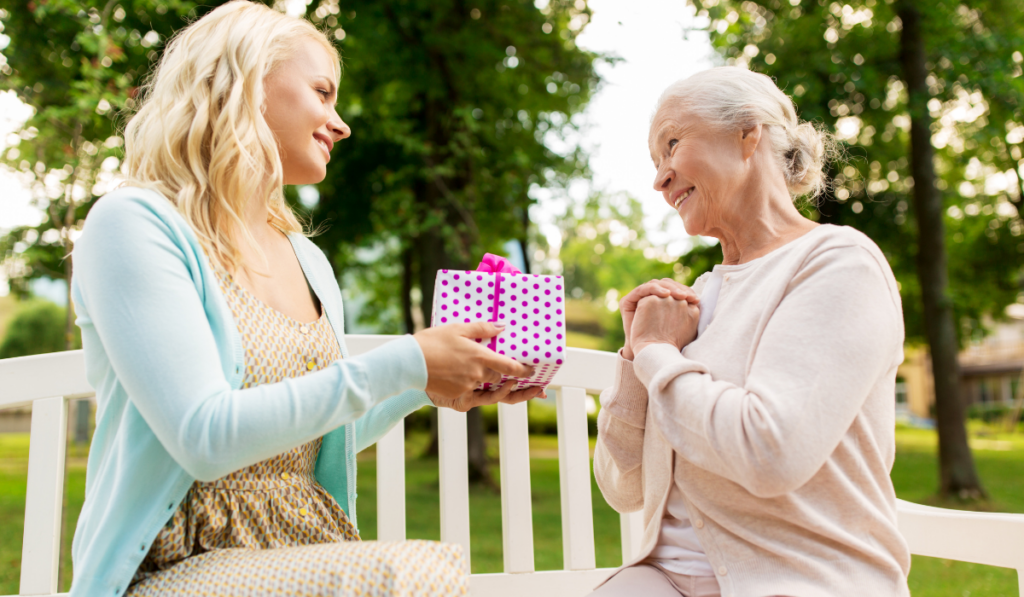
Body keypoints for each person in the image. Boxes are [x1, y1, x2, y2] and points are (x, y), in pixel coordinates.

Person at [67, 2, 544, 596]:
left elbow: (311, 439)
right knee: (406, 575)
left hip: (300, 549)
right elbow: (204, 437)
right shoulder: (134, 224)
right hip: (172, 567)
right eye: (322, 93)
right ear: (243, 82)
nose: (340, 124)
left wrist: (425, 386)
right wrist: (406, 361)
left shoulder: (305, 257)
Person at [589, 67, 911, 597]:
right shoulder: (693, 300)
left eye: (672, 145)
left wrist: (655, 354)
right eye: (655, 162)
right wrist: (635, 359)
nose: (660, 179)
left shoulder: (839, 264)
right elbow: (623, 488)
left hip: (801, 578)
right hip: (663, 579)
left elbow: (770, 453)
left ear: (747, 134)